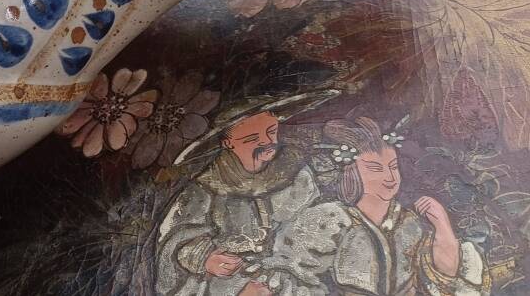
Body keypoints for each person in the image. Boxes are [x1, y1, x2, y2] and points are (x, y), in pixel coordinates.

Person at [257, 117, 488, 295]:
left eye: (393, 166)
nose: (390, 177)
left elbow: (444, 283)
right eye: (375, 169)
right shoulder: (328, 219)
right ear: (352, 172)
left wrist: (443, 227)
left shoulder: (410, 223)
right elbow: (295, 280)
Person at [156, 91, 337, 295]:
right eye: (252, 138)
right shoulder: (205, 185)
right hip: (226, 284)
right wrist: (205, 258)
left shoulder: (298, 175)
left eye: (271, 131)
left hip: (288, 278)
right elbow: (174, 237)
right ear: (227, 143)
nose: (267, 142)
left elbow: (314, 228)